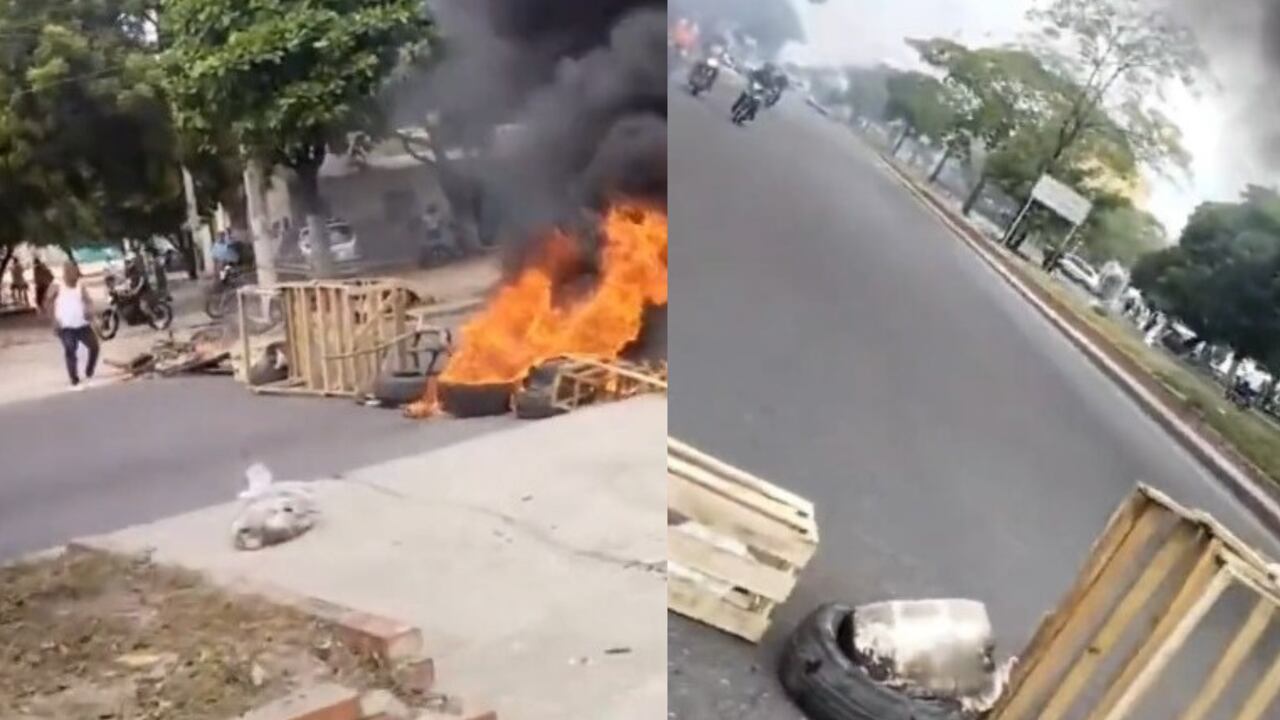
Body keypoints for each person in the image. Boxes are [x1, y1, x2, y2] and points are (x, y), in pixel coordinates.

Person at [45, 263, 99, 390]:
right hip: (65, 326)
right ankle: (74, 379)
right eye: (72, 273)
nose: (74, 276)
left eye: (76, 273)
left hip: (81, 324)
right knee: (70, 349)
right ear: (66, 273)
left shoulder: (80, 286)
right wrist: (53, 321)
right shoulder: (57, 285)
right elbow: (47, 303)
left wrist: (89, 310)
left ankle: (89, 371)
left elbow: (88, 300)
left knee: (94, 347)